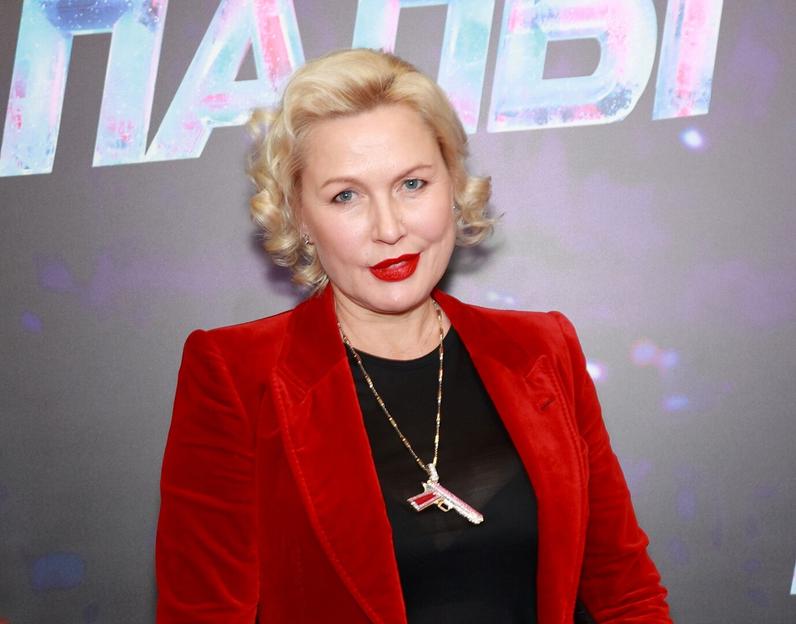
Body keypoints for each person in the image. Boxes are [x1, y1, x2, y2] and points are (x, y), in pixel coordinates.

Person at [155, 48, 671, 623]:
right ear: (299, 216)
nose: (389, 227)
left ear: (453, 184)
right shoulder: (236, 374)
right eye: (346, 196)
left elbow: (625, 593)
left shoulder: (542, 349)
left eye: (412, 184)